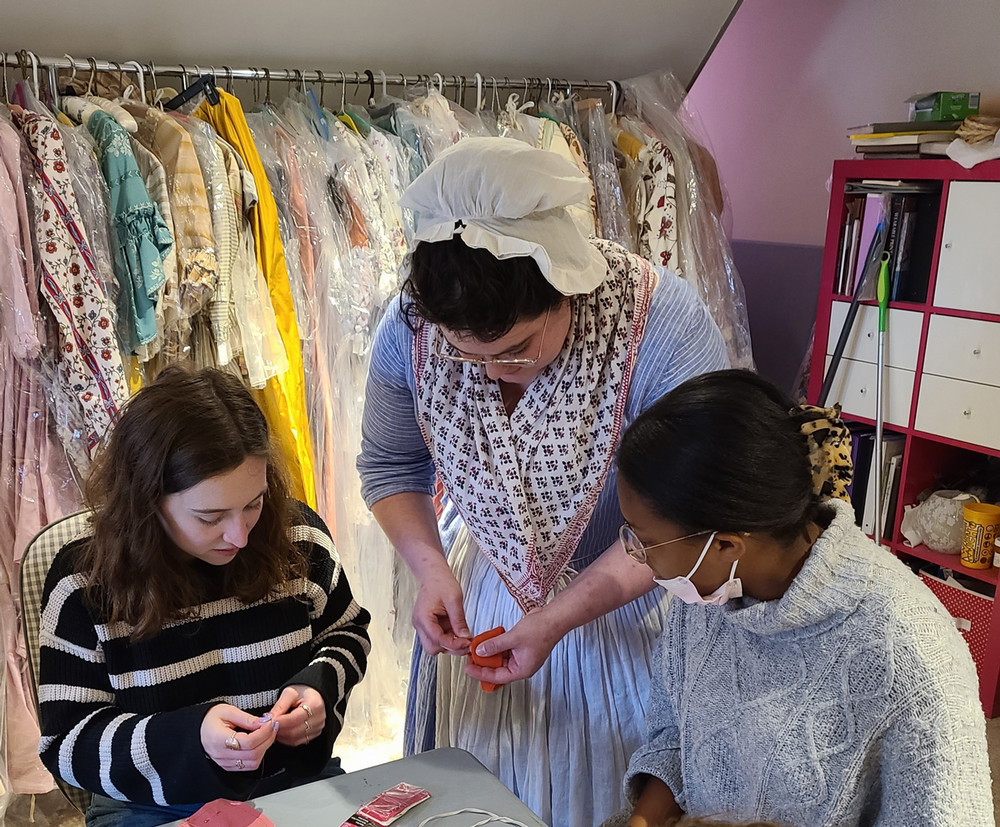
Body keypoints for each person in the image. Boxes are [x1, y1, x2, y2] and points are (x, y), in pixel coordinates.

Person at [357, 137, 729, 827]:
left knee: (611, 791)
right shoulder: (408, 330)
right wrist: (430, 566)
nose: (493, 371)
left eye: (517, 349)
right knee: (479, 792)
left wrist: (558, 617)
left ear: (569, 286)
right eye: (465, 354)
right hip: (490, 587)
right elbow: (390, 465)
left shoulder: (660, 325)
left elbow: (689, 514)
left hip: (631, 591)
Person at [605, 369, 994, 827]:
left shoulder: (912, 659)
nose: (637, 556)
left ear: (727, 544)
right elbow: (676, 738)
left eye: (644, 542)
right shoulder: (706, 597)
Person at [37, 367, 372, 827]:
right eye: (210, 516)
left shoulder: (300, 539)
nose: (239, 535)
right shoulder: (85, 584)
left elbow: (346, 632)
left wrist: (319, 689)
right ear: (147, 501)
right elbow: (66, 740)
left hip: (292, 783)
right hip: (150, 804)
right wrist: (189, 742)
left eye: (253, 502)